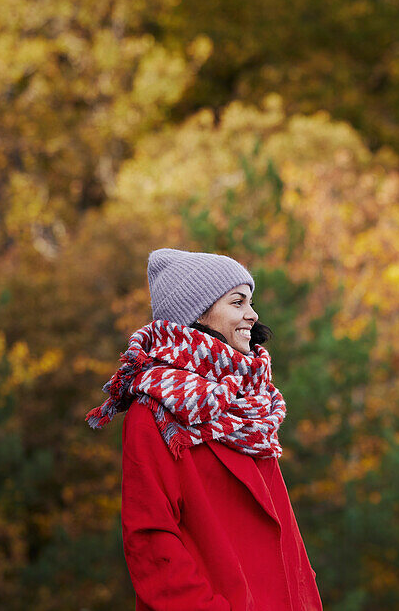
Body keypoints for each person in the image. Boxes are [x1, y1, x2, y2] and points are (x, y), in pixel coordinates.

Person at [86, 248, 323, 611]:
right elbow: (149, 538)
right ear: (197, 312)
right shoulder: (156, 410)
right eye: (238, 301)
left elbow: (283, 534)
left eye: (251, 301)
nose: (252, 314)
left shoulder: (250, 405)